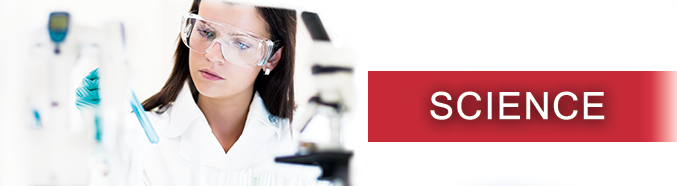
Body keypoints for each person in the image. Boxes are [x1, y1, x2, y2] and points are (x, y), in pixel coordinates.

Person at [75, 0, 322, 185]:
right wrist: (97, 135)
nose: (212, 55)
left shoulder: (301, 141)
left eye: (240, 43)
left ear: (271, 58)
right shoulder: (137, 137)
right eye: (206, 32)